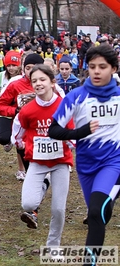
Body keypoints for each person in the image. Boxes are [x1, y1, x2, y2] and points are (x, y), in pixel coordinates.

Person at [48, 44, 120, 264]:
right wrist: (82, 131)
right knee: (99, 214)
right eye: (92, 67)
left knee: (96, 212)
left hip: (113, 161)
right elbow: (54, 130)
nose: (96, 72)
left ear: (114, 69)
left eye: (102, 67)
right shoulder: (76, 97)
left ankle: (89, 263)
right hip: (86, 165)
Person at [12, 65, 74, 251]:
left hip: (60, 162)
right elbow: (18, 131)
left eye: (42, 79)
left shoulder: (64, 106)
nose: (38, 83)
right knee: (28, 203)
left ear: (52, 82)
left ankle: (53, 246)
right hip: (37, 162)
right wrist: (18, 142)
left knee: (58, 209)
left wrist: (75, 144)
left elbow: (72, 132)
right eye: (34, 81)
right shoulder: (27, 111)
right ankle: (44, 182)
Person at [0, 53, 44, 181]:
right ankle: (29, 175)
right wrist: (16, 110)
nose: (30, 72)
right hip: (23, 130)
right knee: (30, 167)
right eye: (27, 68)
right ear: (23, 68)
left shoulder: (50, 85)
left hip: (42, 130)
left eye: (34, 68)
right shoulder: (15, 85)